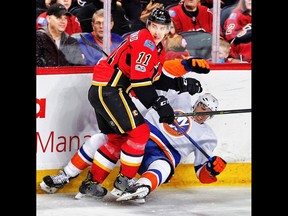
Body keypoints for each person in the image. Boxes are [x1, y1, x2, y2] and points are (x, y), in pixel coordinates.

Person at [39, 8, 211, 198]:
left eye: (161, 28)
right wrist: (160, 105)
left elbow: (153, 78)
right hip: (110, 90)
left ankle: (89, 182)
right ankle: (125, 180)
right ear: (148, 25)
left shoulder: (155, 46)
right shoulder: (146, 43)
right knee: (140, 133)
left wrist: (182, 84)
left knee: (116, 139)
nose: (157, 31)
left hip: (105, 90)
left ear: (168, 29)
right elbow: (140, 83)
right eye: (154, 26)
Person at [39, 92, 227, 203]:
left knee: (164, 167)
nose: (204, 114)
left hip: (162, 155)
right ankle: (64, 176)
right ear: (197, 103)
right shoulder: (178, 98)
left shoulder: (207, 136)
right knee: (99, 139)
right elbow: (164, 75)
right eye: (203, 107)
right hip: (140, 136)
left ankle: (140, 187)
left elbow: (202, 175)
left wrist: (211, 170)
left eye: (209, 112)